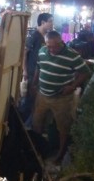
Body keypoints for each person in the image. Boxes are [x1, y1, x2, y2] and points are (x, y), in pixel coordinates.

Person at [31, 30, 90, 165]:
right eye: (49, 46)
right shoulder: (42, 51)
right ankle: (37, 150)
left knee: (63, 128)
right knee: (37, 123)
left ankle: (60, 155)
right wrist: (34, 84)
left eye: (55, 46)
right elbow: (38, 67)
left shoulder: (72, 56)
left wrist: (73, 86)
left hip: (61, 98)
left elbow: (85, 72)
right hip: (42, 95)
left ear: (61, 42)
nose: (52, 49)